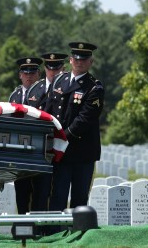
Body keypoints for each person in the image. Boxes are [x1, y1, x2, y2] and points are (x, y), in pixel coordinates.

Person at [45, 42, 104, 218]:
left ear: (91, 62)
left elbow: (84, 119)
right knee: (58, 196)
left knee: (79, 199)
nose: (80, 62)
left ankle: (78, 235)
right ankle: (55, 234)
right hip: (60, 153)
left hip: (81, 152)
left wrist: (62, 137)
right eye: (76, 59)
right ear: (71, 60)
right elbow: (48, 112)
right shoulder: (58, 80)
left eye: (84, 59)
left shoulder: (94, 87)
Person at [24, 53, 68, 214]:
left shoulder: (67, 86)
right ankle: (38, 228)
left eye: (56, 67)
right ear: (45, 69)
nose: (53, 71)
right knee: (40, 191)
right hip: (40, 149)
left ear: (62, 68)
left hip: (59, 147)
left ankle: (53, 229)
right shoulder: (36, 89)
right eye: (50, 68)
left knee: (58, 191)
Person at [8, 57, 43, 214]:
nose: (29, 76)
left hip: (38, 151)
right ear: (20, 75)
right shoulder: (14, 96)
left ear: (38, 74)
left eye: (33, 72)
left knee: (39, 193)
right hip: (19, 152)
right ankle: (22, 225)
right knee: (21, 192)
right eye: (25, 72)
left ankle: (38, 228)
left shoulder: (45, 92)